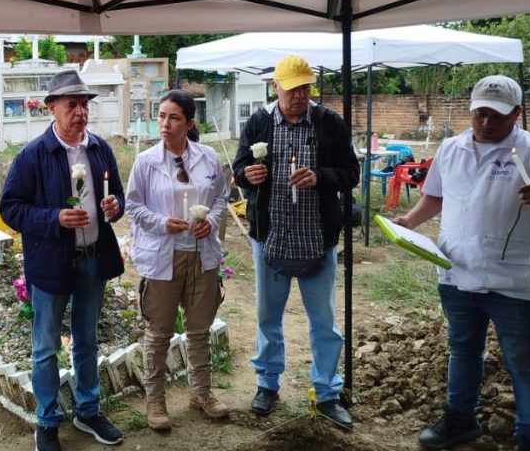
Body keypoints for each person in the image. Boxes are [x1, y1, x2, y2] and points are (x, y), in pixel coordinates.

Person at [395, 75, 530, 451]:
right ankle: (460, 421)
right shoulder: (451, 147)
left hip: (514, 280)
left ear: (517, 113)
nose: (487, 123)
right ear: (471, 110)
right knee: (462, 350)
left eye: (497, 116)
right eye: (480, 114)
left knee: (523, 363)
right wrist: (409, 221)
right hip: (457, 272)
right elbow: (435, 196)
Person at [0, 70, 126, 451]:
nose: (80, 113)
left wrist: (114, 206)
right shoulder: (33, 155)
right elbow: (10, 209)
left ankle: (88, 412)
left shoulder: (100, 149)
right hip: (52, 263)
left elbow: (118, 197)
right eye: (72, 105)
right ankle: (47, 420)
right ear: (51, 108)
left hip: (93, 259)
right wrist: (54, 218)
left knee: (86, 340)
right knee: (44, 346)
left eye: (85, 105)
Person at [231, 54, 359, 430]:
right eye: (293, 88)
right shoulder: (258, 122)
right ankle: (267, 384)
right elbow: (238, 168)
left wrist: (320, 177)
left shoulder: (329, 123)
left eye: (306, 88)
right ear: (276, 86)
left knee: (324, 321)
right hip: (270, 236)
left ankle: (327, 393)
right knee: (267, 317)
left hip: (316, 237)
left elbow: (351, 172)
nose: (300, 95)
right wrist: (247, 174)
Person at [125, 90, 229, 431]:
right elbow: (133, 206)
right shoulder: (146, 161)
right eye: (161, 116)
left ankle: (202, 393)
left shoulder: (209, 157)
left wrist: (211, 222)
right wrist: (161, 222)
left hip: (202, 257)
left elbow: (221, 198)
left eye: (173, 118)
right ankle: (156, 401)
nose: (165, 124)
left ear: (189, 123)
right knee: (158, 332)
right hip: (163, 257)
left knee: (199, 331)